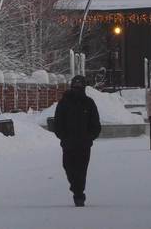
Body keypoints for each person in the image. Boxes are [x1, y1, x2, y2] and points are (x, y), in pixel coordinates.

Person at [53, 75, 101, 207]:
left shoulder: (89, 103)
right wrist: (63, 136)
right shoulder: (64, 103)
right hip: (68, 143)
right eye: (75, 86)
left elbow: (95, 124)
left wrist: (89, 137)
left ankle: (79, 194)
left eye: (80, 87)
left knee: (81, 170)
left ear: (84, 87)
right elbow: (57, 123)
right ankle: (76, 188)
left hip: (84, 144)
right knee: (68, 167)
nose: (77, 89)